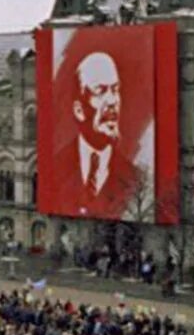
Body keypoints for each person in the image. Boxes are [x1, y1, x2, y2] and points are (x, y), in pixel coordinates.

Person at [48, 49, 149, 221]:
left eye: (115, 90)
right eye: (101, 91)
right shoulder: (55, 168)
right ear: (79, 110)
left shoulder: (135, 176)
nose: (112, 101)